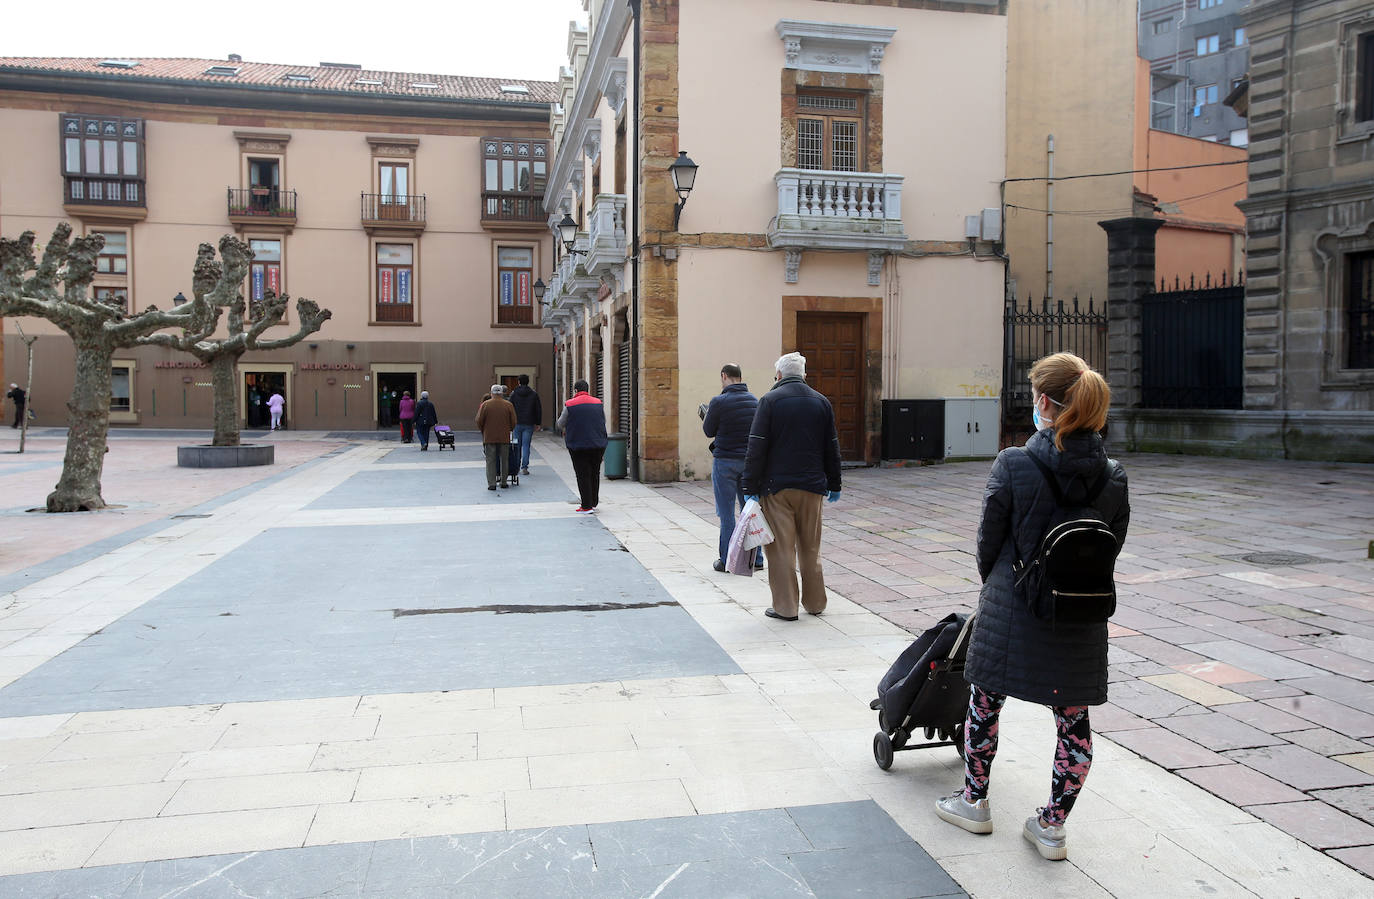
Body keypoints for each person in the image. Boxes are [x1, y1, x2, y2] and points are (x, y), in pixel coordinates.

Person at [934, 352, 1128, 863]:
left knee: (984, 705)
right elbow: (1112, 545)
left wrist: (997, 585)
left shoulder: (1014, 462)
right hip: (1078, 613)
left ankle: (974, 802)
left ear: (1044, 402)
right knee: (1074, 723)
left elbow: (987, 542)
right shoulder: (1114, 475)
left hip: (1012, 607)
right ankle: (1052, 827)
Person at [741, 352, 841, 620]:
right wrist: (835, 482)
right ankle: (816, 602)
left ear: (779, 375)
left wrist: (749, 485)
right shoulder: (822, 402)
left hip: (777, 488)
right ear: (804, 374)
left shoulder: (769, 401)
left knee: (781, 549)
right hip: (812, 487)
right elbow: (831, 446)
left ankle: (786, 608)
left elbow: (756, 446)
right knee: (810, 547)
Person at [702, 363, 762, 572]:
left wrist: (707, 415)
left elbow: (709, 431)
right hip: (748, 462)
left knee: (726, 513)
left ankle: (727, 559)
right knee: (750, 510)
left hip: (725, 461)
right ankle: (758, 558)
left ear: (724, 376)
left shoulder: (719, 402)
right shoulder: (755, 401)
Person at [555, 379, 607, 513]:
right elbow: (603, 421)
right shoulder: (598, 403)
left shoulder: (570, 404)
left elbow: (560, 423)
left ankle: (586, 506)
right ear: (588, 390)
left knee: (582, 474)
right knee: (595, 473)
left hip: (578, 444)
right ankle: (593, 501)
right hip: (598, 444)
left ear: (576, 390)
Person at [476, 385, 517, 489]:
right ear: (502, 393)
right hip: (504, 436)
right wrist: (509, 429)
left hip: (489, 436)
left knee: (490, 460)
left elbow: (479, 420)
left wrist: (483, 430)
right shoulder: (508, 405)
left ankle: (492, 483)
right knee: (504, 459)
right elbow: (514, 421)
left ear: (491, 393)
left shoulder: (485, 405)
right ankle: (503, 482)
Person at [508, 374, 542, 476]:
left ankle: (516, 466)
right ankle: (525, 467)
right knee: (526, 445)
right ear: (528, 382)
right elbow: (538, 409)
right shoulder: (533, 394)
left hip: (517, 423)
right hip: (529, 423)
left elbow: (510, 407)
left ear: (518, 382)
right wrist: (538, 423)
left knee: (516, 446)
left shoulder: (514, 394)